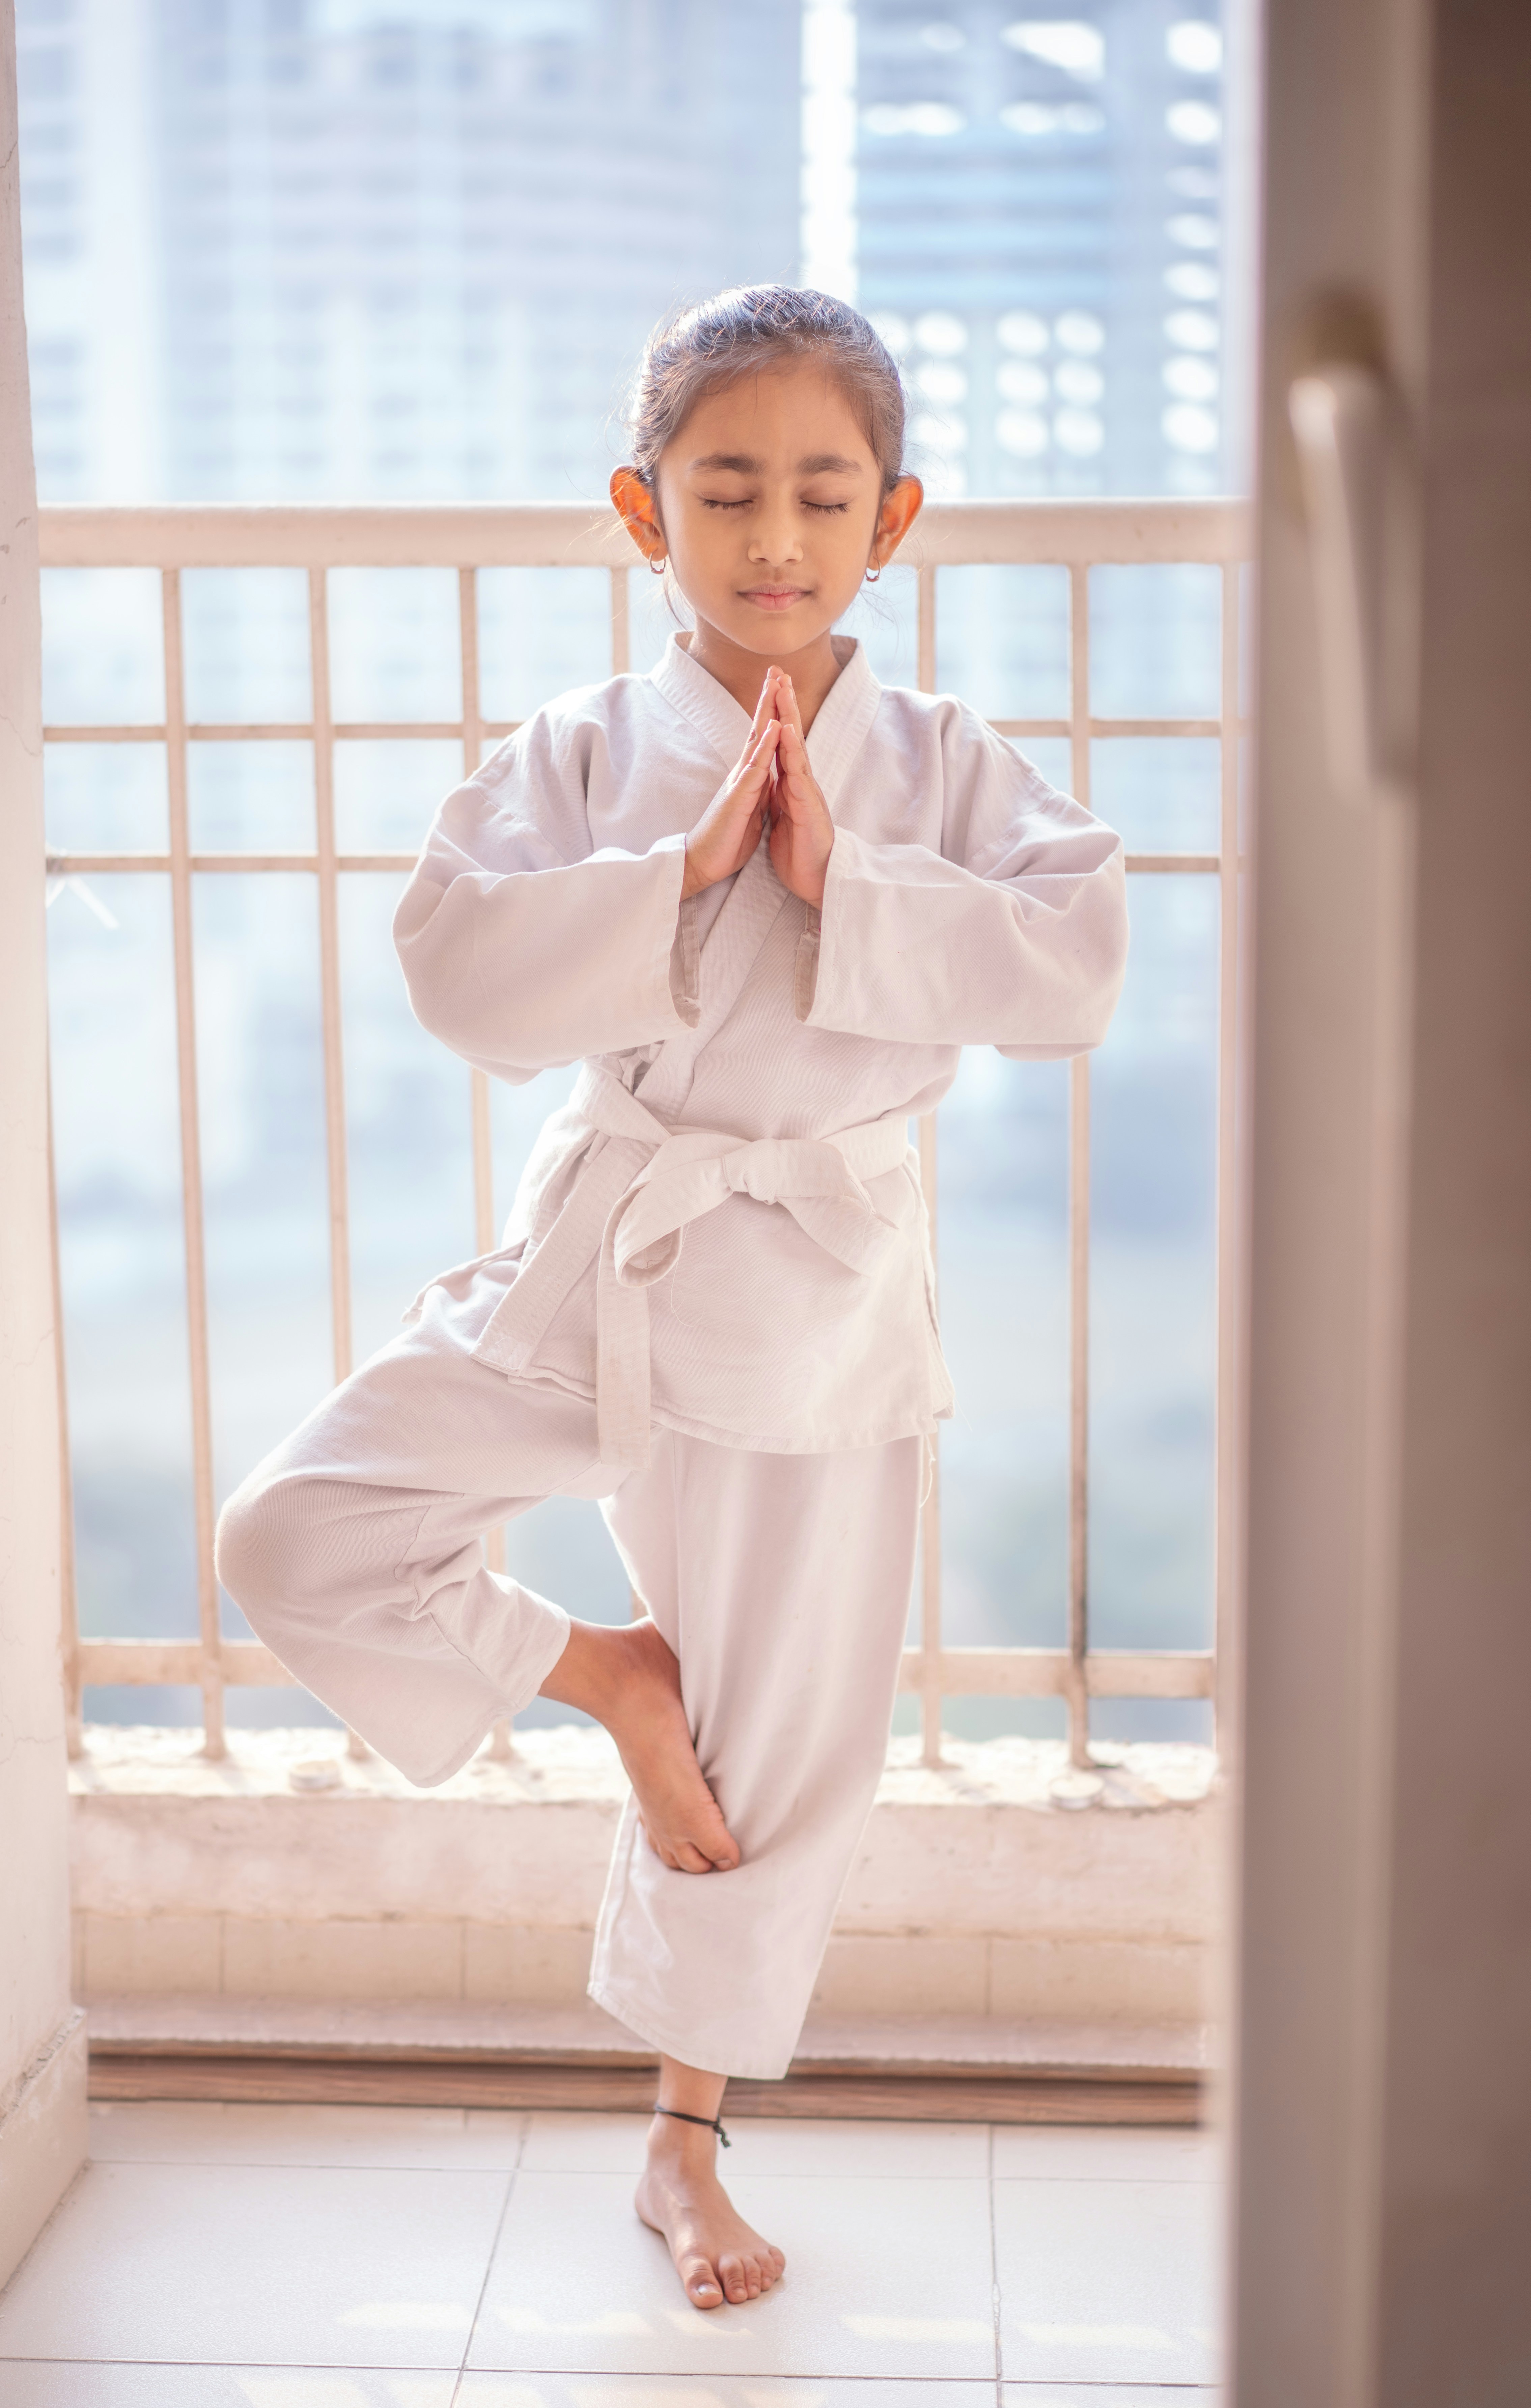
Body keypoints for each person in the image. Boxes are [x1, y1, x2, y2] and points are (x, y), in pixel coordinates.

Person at [216, 284, 1128, 2312]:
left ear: (896, 520)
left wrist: (845, 891)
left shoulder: (951, 762)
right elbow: (457, 965)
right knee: (298, 1525)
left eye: (824, 490)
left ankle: (683, 2134)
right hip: (603, 1245)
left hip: (812, 1295)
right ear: (645, 509)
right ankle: (606, 1677)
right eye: (728, 490)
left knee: (782, 1756)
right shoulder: (578, 752)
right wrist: (682, 865)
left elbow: (1079, 965)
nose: (776, 535)